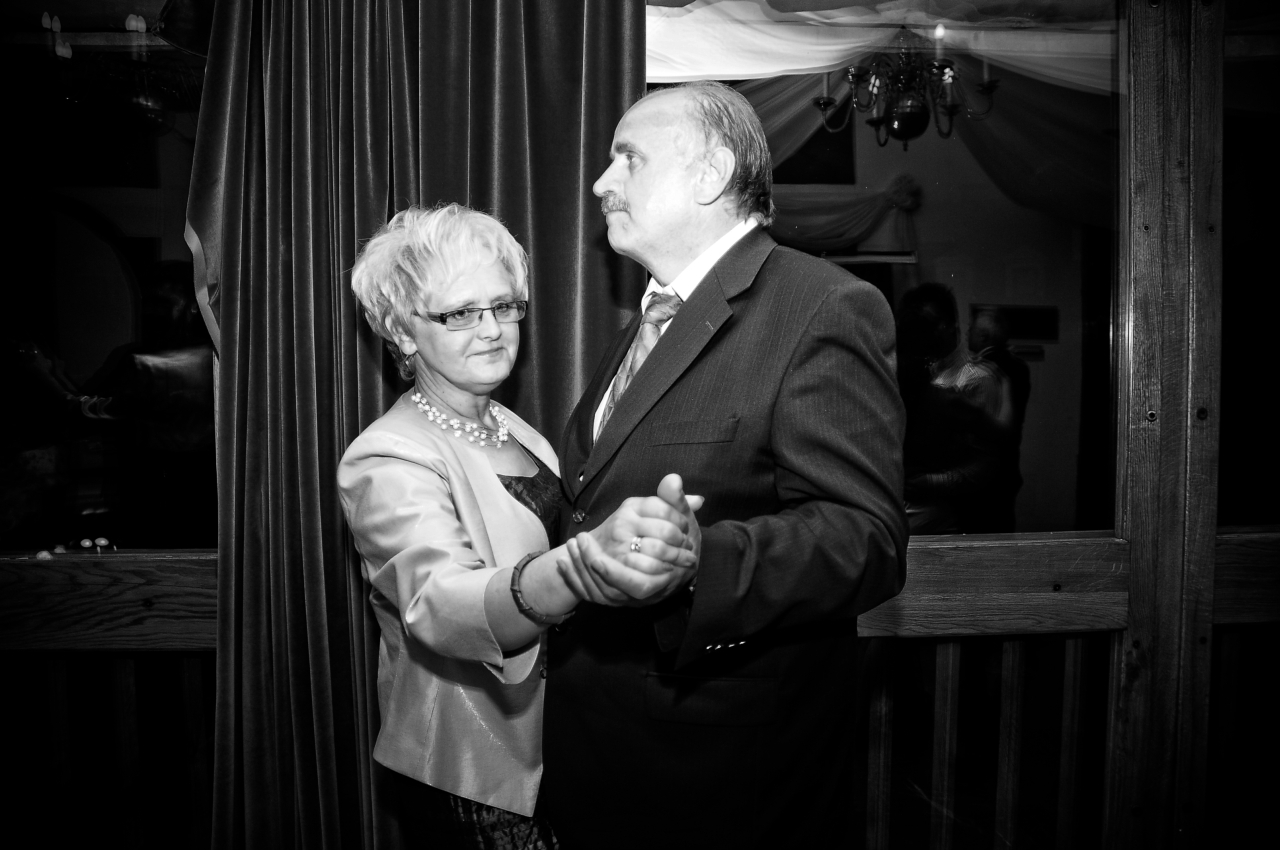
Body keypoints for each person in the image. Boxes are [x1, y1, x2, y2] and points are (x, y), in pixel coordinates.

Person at [541, 81, 909, 847]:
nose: (602, 183)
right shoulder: (647, 320)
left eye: (628, 159)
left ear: (709, 173)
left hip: (717, 774)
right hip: (597, 748)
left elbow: (866, 537)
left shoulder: (821, 305)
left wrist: (699, 564)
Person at [336, 204, 699, 848]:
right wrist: (581, 568)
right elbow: (441, 606)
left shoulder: (515, 429)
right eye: (459, 313)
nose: (492, 329)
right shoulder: (388, 456)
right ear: (401, 330)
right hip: (474, 769)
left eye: (504, 306)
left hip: (561, 743)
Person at [896, 283, 1013, 534]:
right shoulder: (918, 378)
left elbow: (986, 464)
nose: (928, 332)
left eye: (932, 323)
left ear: (951, 325)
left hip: (950, 515)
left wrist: (930, 483)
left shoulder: (976, 379)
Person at [968, 308, 1031, 532]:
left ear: (983, 337)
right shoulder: (1019, 367)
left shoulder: (977, 371)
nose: (966, 333)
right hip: (1007, 468)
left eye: (971, 330)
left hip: (978, 472)